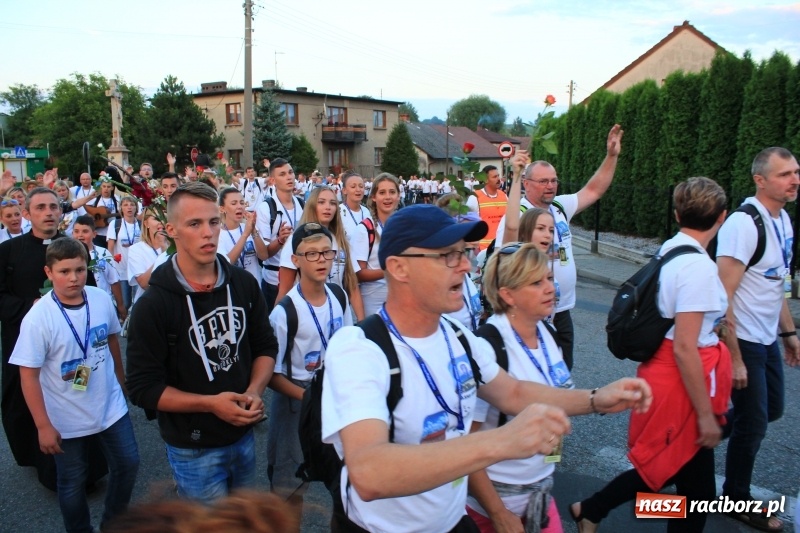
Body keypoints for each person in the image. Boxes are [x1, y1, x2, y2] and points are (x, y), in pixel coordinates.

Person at [321, 204, 652, 533]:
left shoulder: (459, 337)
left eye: (464, 253)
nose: (466, 265)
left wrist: (595, 399)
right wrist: (500, 442)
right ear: (398, 267)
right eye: (448, 256)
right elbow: (369, 473)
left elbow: (513, 392)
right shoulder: (358, 348)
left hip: (453, 523)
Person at [571, 177, 733, 533]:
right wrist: (705, 416)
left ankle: (593, 508)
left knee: (687, 484)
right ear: (722, 217)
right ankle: (594, 507)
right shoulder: (699, 269)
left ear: (676, 214)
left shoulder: (673, 249)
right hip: (680, 382)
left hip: (668, 373)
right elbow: (686, 346)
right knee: (672, 476)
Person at [126, 182, 278, 503]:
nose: (208, 233)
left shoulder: (243, 284)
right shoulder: (154, 305)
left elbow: (265, 346)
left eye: (213, 222)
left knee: (243, 524)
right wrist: (211, 404)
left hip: (242, 434)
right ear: (171, 231)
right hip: (193, 446)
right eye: (194, 224)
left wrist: (253, 391)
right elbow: (143, 388)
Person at [11, 237, 139, 533]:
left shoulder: (98, 297)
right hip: (65, 416)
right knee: (71, 481)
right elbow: (27, 375)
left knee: (129, 463)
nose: (74, 278)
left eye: (80, 270)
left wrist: (120, 380)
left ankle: (113, 524)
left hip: (109, 406)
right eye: (65, 271)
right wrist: (43, 426)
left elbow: (111, 339)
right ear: (49, 272)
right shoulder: (38, 318)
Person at [0, 187, 108, 490]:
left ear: (60, 212)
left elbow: (93, 291)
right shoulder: (9, 251)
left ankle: (91, 468)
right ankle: (44, 464)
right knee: (31, 401)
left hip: (73, 347)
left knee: (80, 394)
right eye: (40, 208)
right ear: (27, 214)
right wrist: (27, 307)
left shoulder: (73, 247)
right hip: (27, 345)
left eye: (53, 207)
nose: (48, 212)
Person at [717, 147, 800, 532]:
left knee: (773, 410)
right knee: (754, 422)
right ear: (760, 180)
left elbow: (777, 283)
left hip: (767, 337)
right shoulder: (744, 224)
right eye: (785, 174)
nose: (794, 180)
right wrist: (733, 357)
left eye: (796, 172)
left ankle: (699, 434)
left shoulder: (783, 220)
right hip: (744, 339)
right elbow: (722, 297)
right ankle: (735, 497)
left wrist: (789, 334)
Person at [495, 125, 624, 370]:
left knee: (563, 373)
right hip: (531, 312)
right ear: (527, 183)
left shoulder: (560, 206)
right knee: (535, 374)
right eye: (543, 181)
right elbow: (505, 254)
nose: (550, 186)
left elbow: (594, 190)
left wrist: (612, 156)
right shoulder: (518, 214)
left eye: (554, 180)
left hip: (562, 310)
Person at [466, 243, 574, 532]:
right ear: (508, 294)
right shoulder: (487, 346)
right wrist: (498, 513)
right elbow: (465, 445)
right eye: (536, 283)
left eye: (549, 278)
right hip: (491, 510)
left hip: (540, 495)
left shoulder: (549, 333)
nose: (550, 288)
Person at [267, 223, 353, 527]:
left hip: (335, 396)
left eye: (327, 252)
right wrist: (307, 397)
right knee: (289, 486)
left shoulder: (339, 297)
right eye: (312, 253)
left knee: (344, 479)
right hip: (296, 401)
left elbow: (349, 346)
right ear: (295, 260)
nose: (321, 260)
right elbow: (270, 374)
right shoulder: (284, 312)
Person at [275, 186, 365, 320]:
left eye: (332, 203)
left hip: (336, 312)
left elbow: (352, 285)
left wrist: (362, 321)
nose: (328, 207)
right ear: (312, 206)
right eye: (321, 202)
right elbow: (284, 289)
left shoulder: (342, 241)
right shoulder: (296, 241)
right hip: (305, 314)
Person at [255, 158, 303, 312]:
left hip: (301, 278)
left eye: (290, 172)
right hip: (274, 280)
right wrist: (280, 240)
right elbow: (264, 254)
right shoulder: (266, 208)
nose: (289, 177)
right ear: (273, 181)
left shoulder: (302, 204)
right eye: (282, 174)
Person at [351, 173, 401, 316]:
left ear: (398, 196)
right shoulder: (364, 229)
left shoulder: (403, 227)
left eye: (392, 192)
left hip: (400, 299)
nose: (387, 197)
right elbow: (358, 274)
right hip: (373, 304)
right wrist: (389, 271)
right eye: (382, 192)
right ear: (373, 197)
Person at [72, 216, 127, 322]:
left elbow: (114, 281)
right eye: (76, 231)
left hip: (101, 303)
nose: (80, 235)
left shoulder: (103, 253)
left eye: (85, 231)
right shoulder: (68, 255)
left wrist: (120, 305)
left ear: (94, 234)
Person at [217, 187, 268, 283]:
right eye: (233, 203)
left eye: (242, 202)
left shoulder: (249, 227)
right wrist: (245, 234)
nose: (239, 206)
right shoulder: (218, 234)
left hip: (255, 286)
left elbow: (264, 256)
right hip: (234, 289)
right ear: (222, 209)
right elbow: (227, 263)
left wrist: (253, 231)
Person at [127, 209, 168, 306]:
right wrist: (164, 252)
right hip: (149, 305)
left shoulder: (177, 246)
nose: (161, 222)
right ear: (146, 223)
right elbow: (144, 283)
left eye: (165, 218)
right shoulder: (136, 249)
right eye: (157, 218)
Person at [106, 197, 141, 310]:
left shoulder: (141, 225)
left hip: (137, 269)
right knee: (125, 303)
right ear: (121, 208)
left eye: (132, 204)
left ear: (136, 207)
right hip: (121, 268)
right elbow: (110, 247)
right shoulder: (115, 224)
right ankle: (124, 321)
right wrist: (111, 265)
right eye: (125, 205)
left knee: (138, 302)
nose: (129, 207)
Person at [467, 165, 508, 252]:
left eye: (498, 176)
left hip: (502, 247)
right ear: (486, 180)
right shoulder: (475, 197)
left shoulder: (504, 196)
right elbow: (467, 222)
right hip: (483, 249)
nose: (498, 179)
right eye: (494, 177)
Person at [339, 171, 372, 238]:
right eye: (353, 187)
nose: (358, 189)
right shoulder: (339, 211)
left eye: (361, 186)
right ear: (344, 190)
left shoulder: (366, 211)